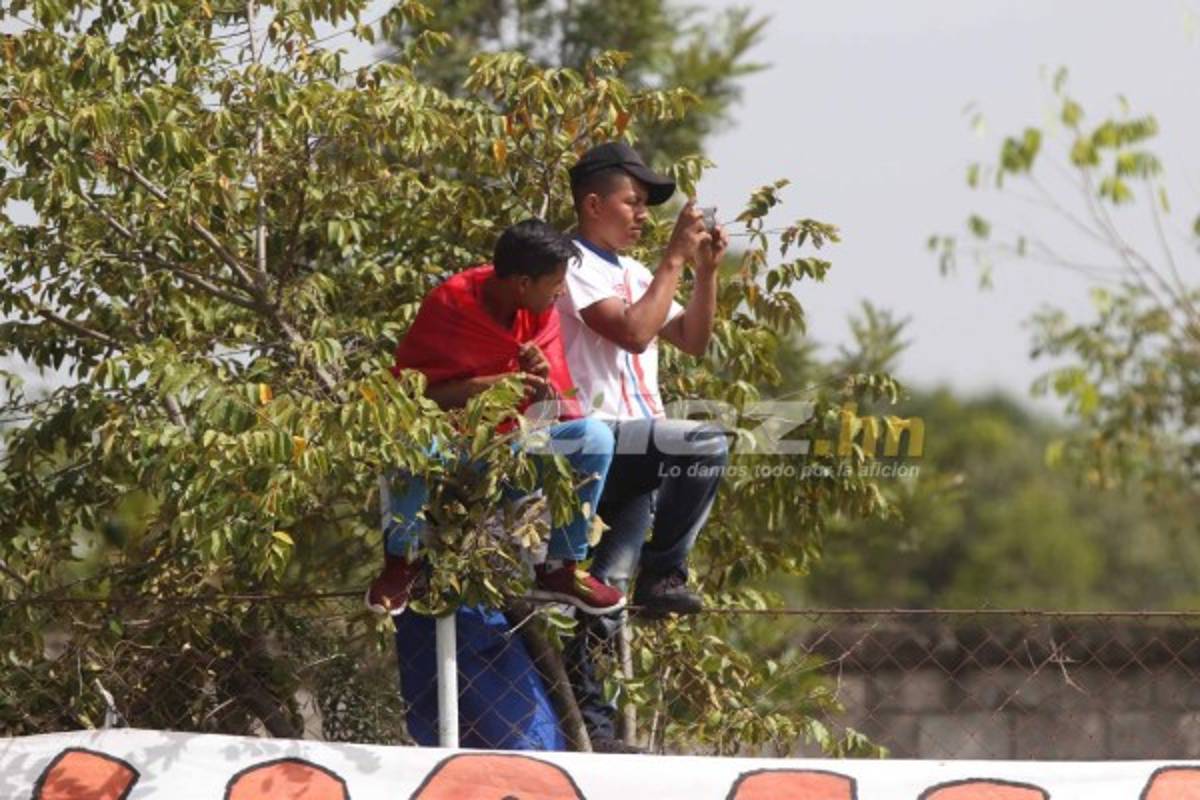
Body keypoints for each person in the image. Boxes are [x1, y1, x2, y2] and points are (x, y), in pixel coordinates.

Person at [556, 142, 731, 751]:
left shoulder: (635, 273)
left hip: (636, 448)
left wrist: (705, 272)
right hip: (593, 442)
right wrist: (675, 260)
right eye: (632, 202)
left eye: (646, 206)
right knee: (704, 441)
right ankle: (665, 570)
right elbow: (633, 333)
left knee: (603, 594)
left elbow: (692, 339)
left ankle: (593, 730)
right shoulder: (570, 262)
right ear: (593, 203)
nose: (642, 215)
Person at [366, 219, 624, 618]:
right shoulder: (451, 303)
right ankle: (401, 563)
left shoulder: (542, 315)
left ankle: (561, 568)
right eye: (555, 283)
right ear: (523, 284)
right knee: (405, 439)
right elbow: (409, 397)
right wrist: (484, 386)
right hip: (446, 456)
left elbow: (554, 413)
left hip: (509, 457)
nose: (561, 292)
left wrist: (542, 382)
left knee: (594, 437)